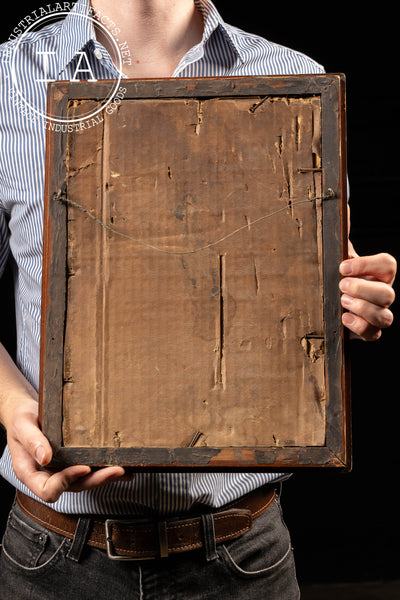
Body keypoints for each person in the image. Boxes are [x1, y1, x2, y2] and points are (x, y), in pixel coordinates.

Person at [0, 1, 396, 598]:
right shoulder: (10, 79)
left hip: (242, 559)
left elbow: (310, 291)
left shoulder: (289, 79)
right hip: (56, 559)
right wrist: (11, 407)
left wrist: (348, 301)